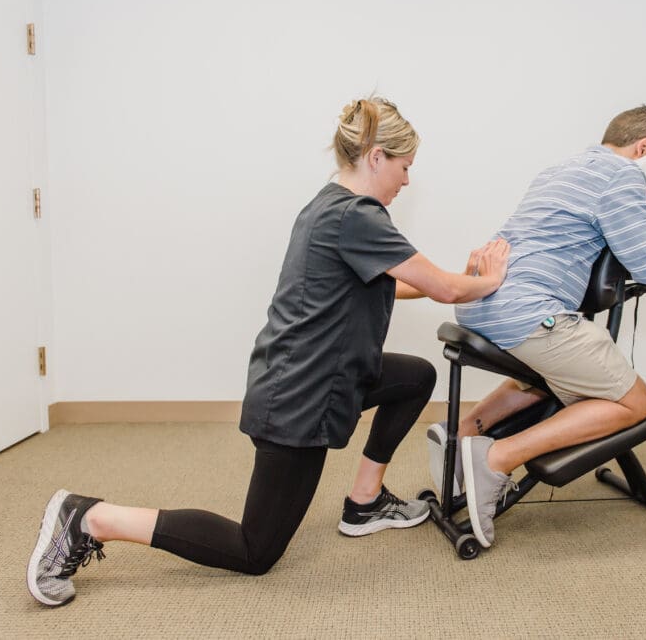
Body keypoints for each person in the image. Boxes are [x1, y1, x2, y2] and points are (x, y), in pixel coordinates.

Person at [27, 96, 511, 606]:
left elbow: (406, 283)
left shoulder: (330, 205)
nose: (407, 180)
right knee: (254, 549)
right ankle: (89, 517)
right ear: (376, 157)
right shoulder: (358, 216)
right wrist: (486, 279)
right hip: (300, 397)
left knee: (414, 377)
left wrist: (459, 282)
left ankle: (364, 502)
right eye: (404, 166)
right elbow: (444, 290)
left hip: (321, 373)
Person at [427, 105, 646, 548]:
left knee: (547, 378)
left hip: (481, 301)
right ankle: (496, 458)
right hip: (527, 311)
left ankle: (465, 431)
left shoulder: (561, 169)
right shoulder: (622, 175)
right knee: (633, 402)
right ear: (644, 148)